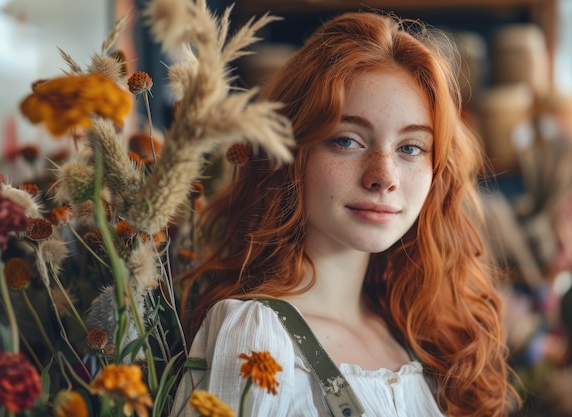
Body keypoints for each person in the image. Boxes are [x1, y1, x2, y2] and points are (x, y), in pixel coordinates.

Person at [171, 10, 521, 417]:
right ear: (289, 154)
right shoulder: (258, 333)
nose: (384, 177)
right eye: (347, 140)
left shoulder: (415, 336)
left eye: (410, 148)